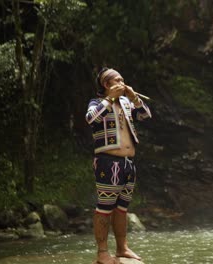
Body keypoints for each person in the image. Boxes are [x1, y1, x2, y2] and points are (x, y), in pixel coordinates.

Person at [85, 68, 152, 264]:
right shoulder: (97, 102)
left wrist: (134, 98)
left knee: (122, 208)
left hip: (129, 163)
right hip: (108, 161)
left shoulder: (126, 102)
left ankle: (122, 248)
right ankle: (102, 252)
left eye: (123, 79)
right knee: (105, 207)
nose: (123, 82)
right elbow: (91, 118)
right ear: (107, 84)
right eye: (118, 79)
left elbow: (146, 116)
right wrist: (109, 99)